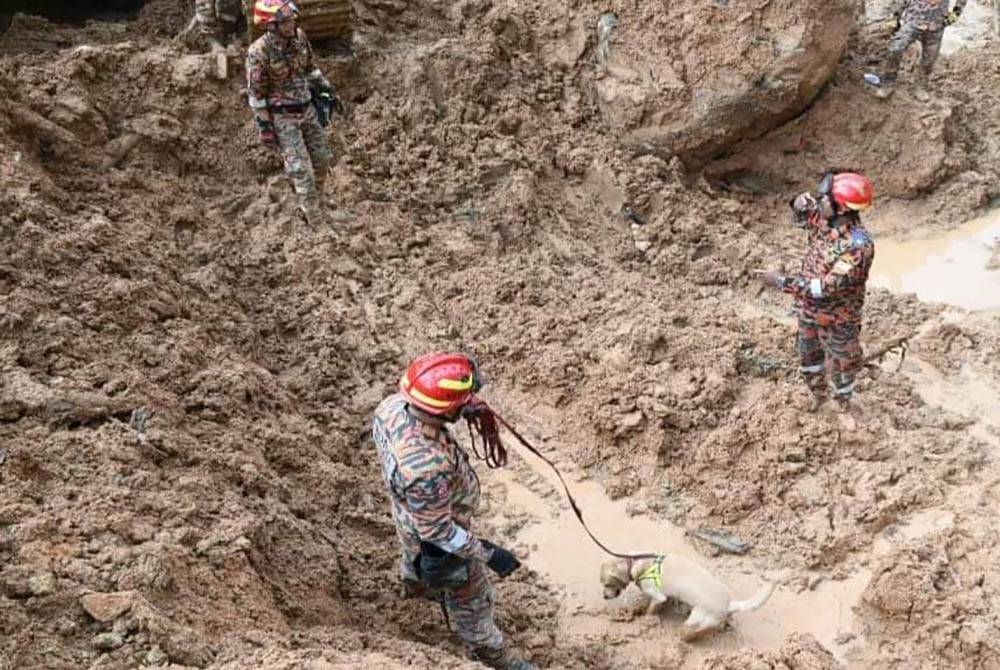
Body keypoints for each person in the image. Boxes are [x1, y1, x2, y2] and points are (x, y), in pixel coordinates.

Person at [371, 353, 536, 670]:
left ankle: (416, 589)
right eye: (463, 399)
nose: (471, 400)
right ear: (445, 408)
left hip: (408, 517)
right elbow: (438, 532)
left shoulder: (392, 408)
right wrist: (488, 553)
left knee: (412, 559)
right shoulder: (427, 468)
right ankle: (497, 659)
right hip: (440, 536)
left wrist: (462, 408)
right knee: (472, 604)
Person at [757, 172, 875, 411]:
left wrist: (780, 281)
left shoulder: (858, 247)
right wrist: (799, 201)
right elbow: (802, 214)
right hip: (808, 313)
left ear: (841, 208)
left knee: (842, 367)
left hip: (838, 321)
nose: (820, 202)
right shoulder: (824, 220)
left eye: (825, 198)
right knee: (809, 358)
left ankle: (842, 404)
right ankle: (818, 398)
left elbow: (823, 288)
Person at [245, 0, 339, 225]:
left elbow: (309, 68)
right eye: (285, 21)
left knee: (322, 159)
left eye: (291, 18)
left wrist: (327, 88)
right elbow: (257, 95)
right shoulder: (259, 52)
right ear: (271, 25)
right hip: (283, 116)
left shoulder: (300, 38)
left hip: (306, 109)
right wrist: (265, 128)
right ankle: (313, 219)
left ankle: (317, 201)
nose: (291, 24)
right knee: (300, 170)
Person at [870, 0, 968, 86]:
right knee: (896, 48)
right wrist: (894, 17)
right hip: (914, 20)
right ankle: (888, 80)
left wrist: (956, 13)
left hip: (936, 24)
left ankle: (919, 85)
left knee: (929, 60)